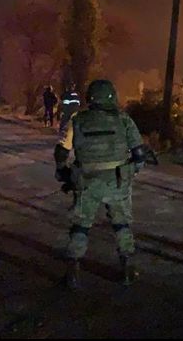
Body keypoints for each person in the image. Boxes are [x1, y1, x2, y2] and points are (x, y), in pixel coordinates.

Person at [54, 79, 147, 289]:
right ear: (112, 96)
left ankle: (73, 273)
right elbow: (140, 154)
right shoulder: (124, 120)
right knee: (121, 224)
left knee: (80, 226)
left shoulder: (77, 120)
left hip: (86, 181)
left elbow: (61, 151)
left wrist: (63, 172)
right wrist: (132, 171)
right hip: (117, 181)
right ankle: (127, 269)